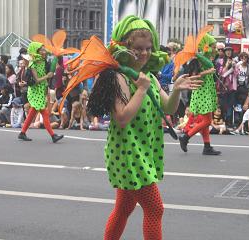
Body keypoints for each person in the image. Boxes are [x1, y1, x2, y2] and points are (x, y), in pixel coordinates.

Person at [81, 16, 202, 240]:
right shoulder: (118, 77)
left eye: (148, 48)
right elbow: (122, 119)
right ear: (124, 47)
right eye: (138, 49)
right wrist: (141, 90)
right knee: (155, 209)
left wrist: (176, 90)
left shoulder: (150, 77)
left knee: (124, 208)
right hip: (129, 153)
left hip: (143, 150)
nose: (144, 54)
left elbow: (168, 107)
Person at [178, 34, 221, 155]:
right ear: (207, 47)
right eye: (213, 46)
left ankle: (207, 146)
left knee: (207, 121)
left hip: (206, 92)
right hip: (202, 93)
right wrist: (207, 71)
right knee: (207, 121)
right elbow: (192, 77)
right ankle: (186, 137)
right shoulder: (199, 60)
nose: (215, 49)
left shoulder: (204, 59)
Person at [17, 42, 63, 143]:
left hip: (41, 89)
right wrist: (48, 76)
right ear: (36, 51)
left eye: (44, 49)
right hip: (34, 91)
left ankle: (22, 133)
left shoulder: (43, 61)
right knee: (44, 113)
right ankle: (53, 135)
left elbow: (51, 69)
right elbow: (37, 80)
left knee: (32, 112)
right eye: (42, 50)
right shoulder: (33, 64)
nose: (44, 51)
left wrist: (56, 57)